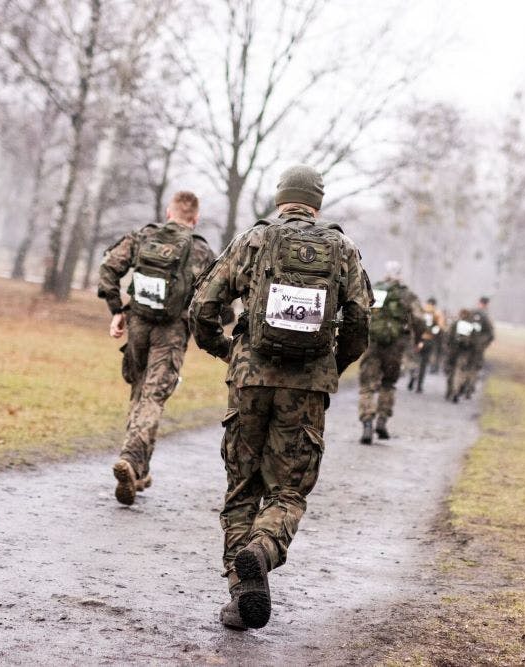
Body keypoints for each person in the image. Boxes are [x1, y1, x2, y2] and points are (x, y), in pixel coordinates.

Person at [189, 165, 371, 631]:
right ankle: (263, 549)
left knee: (242, 488)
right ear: (317, 202)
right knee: (288, 489)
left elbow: (203, 306)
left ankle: (239, 590)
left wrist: (227, 350)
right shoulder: (343, 248)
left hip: (249, 380)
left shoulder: (253, 239)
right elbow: (359, 323)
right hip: (307, 387)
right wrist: (331, 366)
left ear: (280, 198)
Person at [97, 191, 215, 506]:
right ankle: (132, 458)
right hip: (172, 331)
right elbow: (217, 299)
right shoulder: (201, 250)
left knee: (139, 391)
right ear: (195, 218)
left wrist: (117, 310)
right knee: (154, 396)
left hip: (137, 323)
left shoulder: (143, 236)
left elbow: (109, 268)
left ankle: (139, 473)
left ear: (169, 212)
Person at [357, 261, 422, 444]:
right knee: (388, 384)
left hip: (372, 344)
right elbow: (418, 318)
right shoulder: (406, 295)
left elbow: (360, 310)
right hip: (395, 347)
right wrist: (418, 340)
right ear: (400, 275)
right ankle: (382, 421)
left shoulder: (374, 289)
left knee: (367, 385)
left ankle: (367, 423)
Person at [407, 297, 446, 393]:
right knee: (424, 364)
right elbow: (441, 327)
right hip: (429, 340)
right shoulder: (437, 313)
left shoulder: (420, 310)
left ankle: (413, 374)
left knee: (415, 359)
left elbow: (412, 323)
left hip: (418, 339)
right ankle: (419, 386)